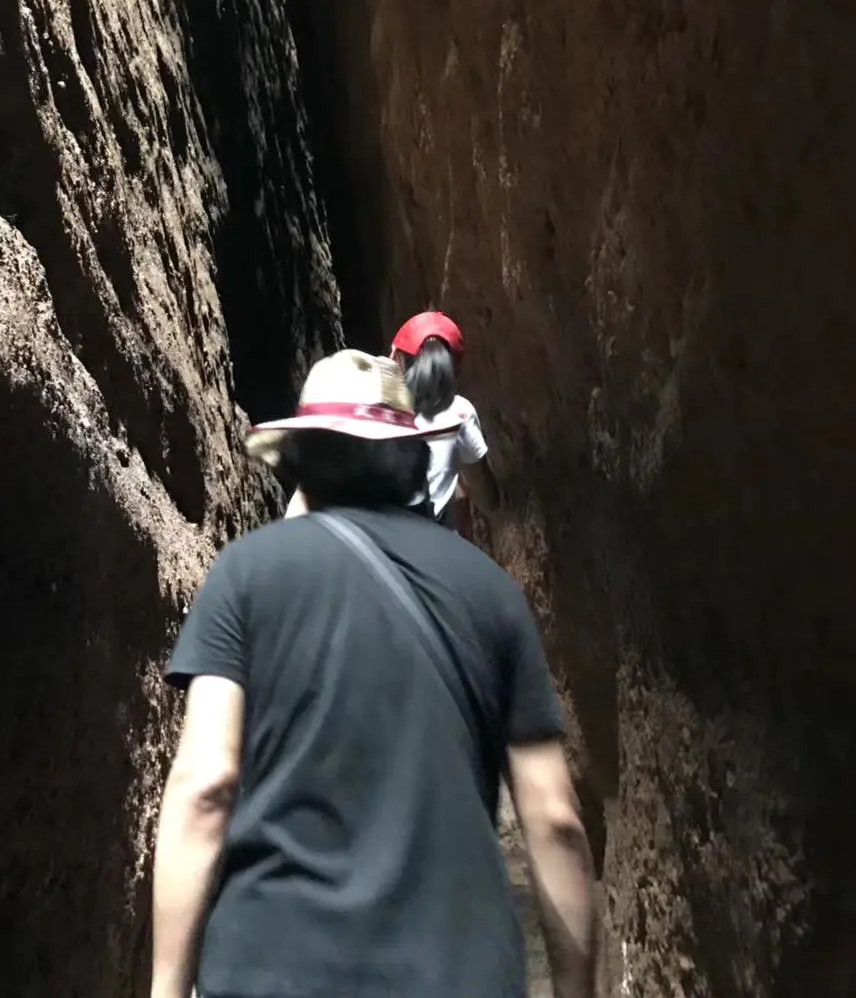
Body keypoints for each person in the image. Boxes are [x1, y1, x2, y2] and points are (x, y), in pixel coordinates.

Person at [150, 348, 597, 998]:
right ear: (415, 459)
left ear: (301, 461)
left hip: (276, 967)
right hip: (455, 973)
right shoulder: (492, 594)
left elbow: (205, 786)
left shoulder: (244, 577)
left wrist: (167, 987)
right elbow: (554, 818)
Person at [390, 309, 508, 542]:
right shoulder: (459, 412)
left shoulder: (375, 410)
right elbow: (490, 500)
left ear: (398, 359)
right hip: (438, 549)